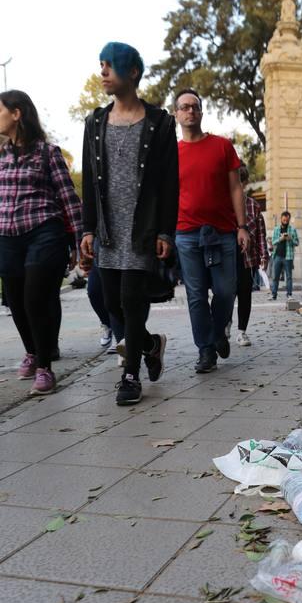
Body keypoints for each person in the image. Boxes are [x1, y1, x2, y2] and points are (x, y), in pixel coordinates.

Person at [80, 42, 178, 405]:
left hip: (142, 228)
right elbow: (90, 180)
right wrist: (87, 228)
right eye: (101, 65)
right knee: (111, 301)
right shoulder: (95, 123)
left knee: (130, 300)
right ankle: (151, 344)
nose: (103, 72)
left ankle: (130, 375)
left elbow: (170, 182)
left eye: (110, 66)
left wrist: (165, 230)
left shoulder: (160, 123)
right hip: (107, 229)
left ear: (132, 72)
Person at [0, 90, 81, 396]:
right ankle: (32, 352)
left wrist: (78, 241)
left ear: (17, 113)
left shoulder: (48, 153)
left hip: (44, 232)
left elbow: (68, 199)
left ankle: (45, 367)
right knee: (15, 301)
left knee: (35, 299)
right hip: (7, 237)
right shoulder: (1, 156)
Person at [174, 88, 249, 373]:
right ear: (176, 114)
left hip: (223, 231)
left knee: (226, 290)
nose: (190, 111)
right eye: (184, 107)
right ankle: (205, 350)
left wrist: (242, 227)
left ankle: (218, 331)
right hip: (186, 232)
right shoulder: (172, 153)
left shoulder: (222, 146)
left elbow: (235, 187)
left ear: (201, 112)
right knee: (195, 294)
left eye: (195, 107)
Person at [232, 164, 268, 346]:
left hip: (247, 259)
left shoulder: (253, 206)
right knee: (225, 293)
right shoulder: (224, 204)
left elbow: (261, 232)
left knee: (245, 293)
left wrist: (264, 255)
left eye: (240, 181)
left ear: (245, 183)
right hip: (228, 257)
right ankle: (225, 323)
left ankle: (241, 331)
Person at [270, 211, 298, 300]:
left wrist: (290, 239)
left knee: (289, 277)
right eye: (284, 219)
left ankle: (289, 294)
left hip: (288, 256)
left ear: (289, 219)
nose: (285, 221)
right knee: (275, 276)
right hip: (277, 256)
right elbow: (273, 242)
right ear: (281, 219)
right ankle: (274, 294)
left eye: (287, 220)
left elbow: (297, 242)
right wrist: (280, 239)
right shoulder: (276, 229)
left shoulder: (292, 230)